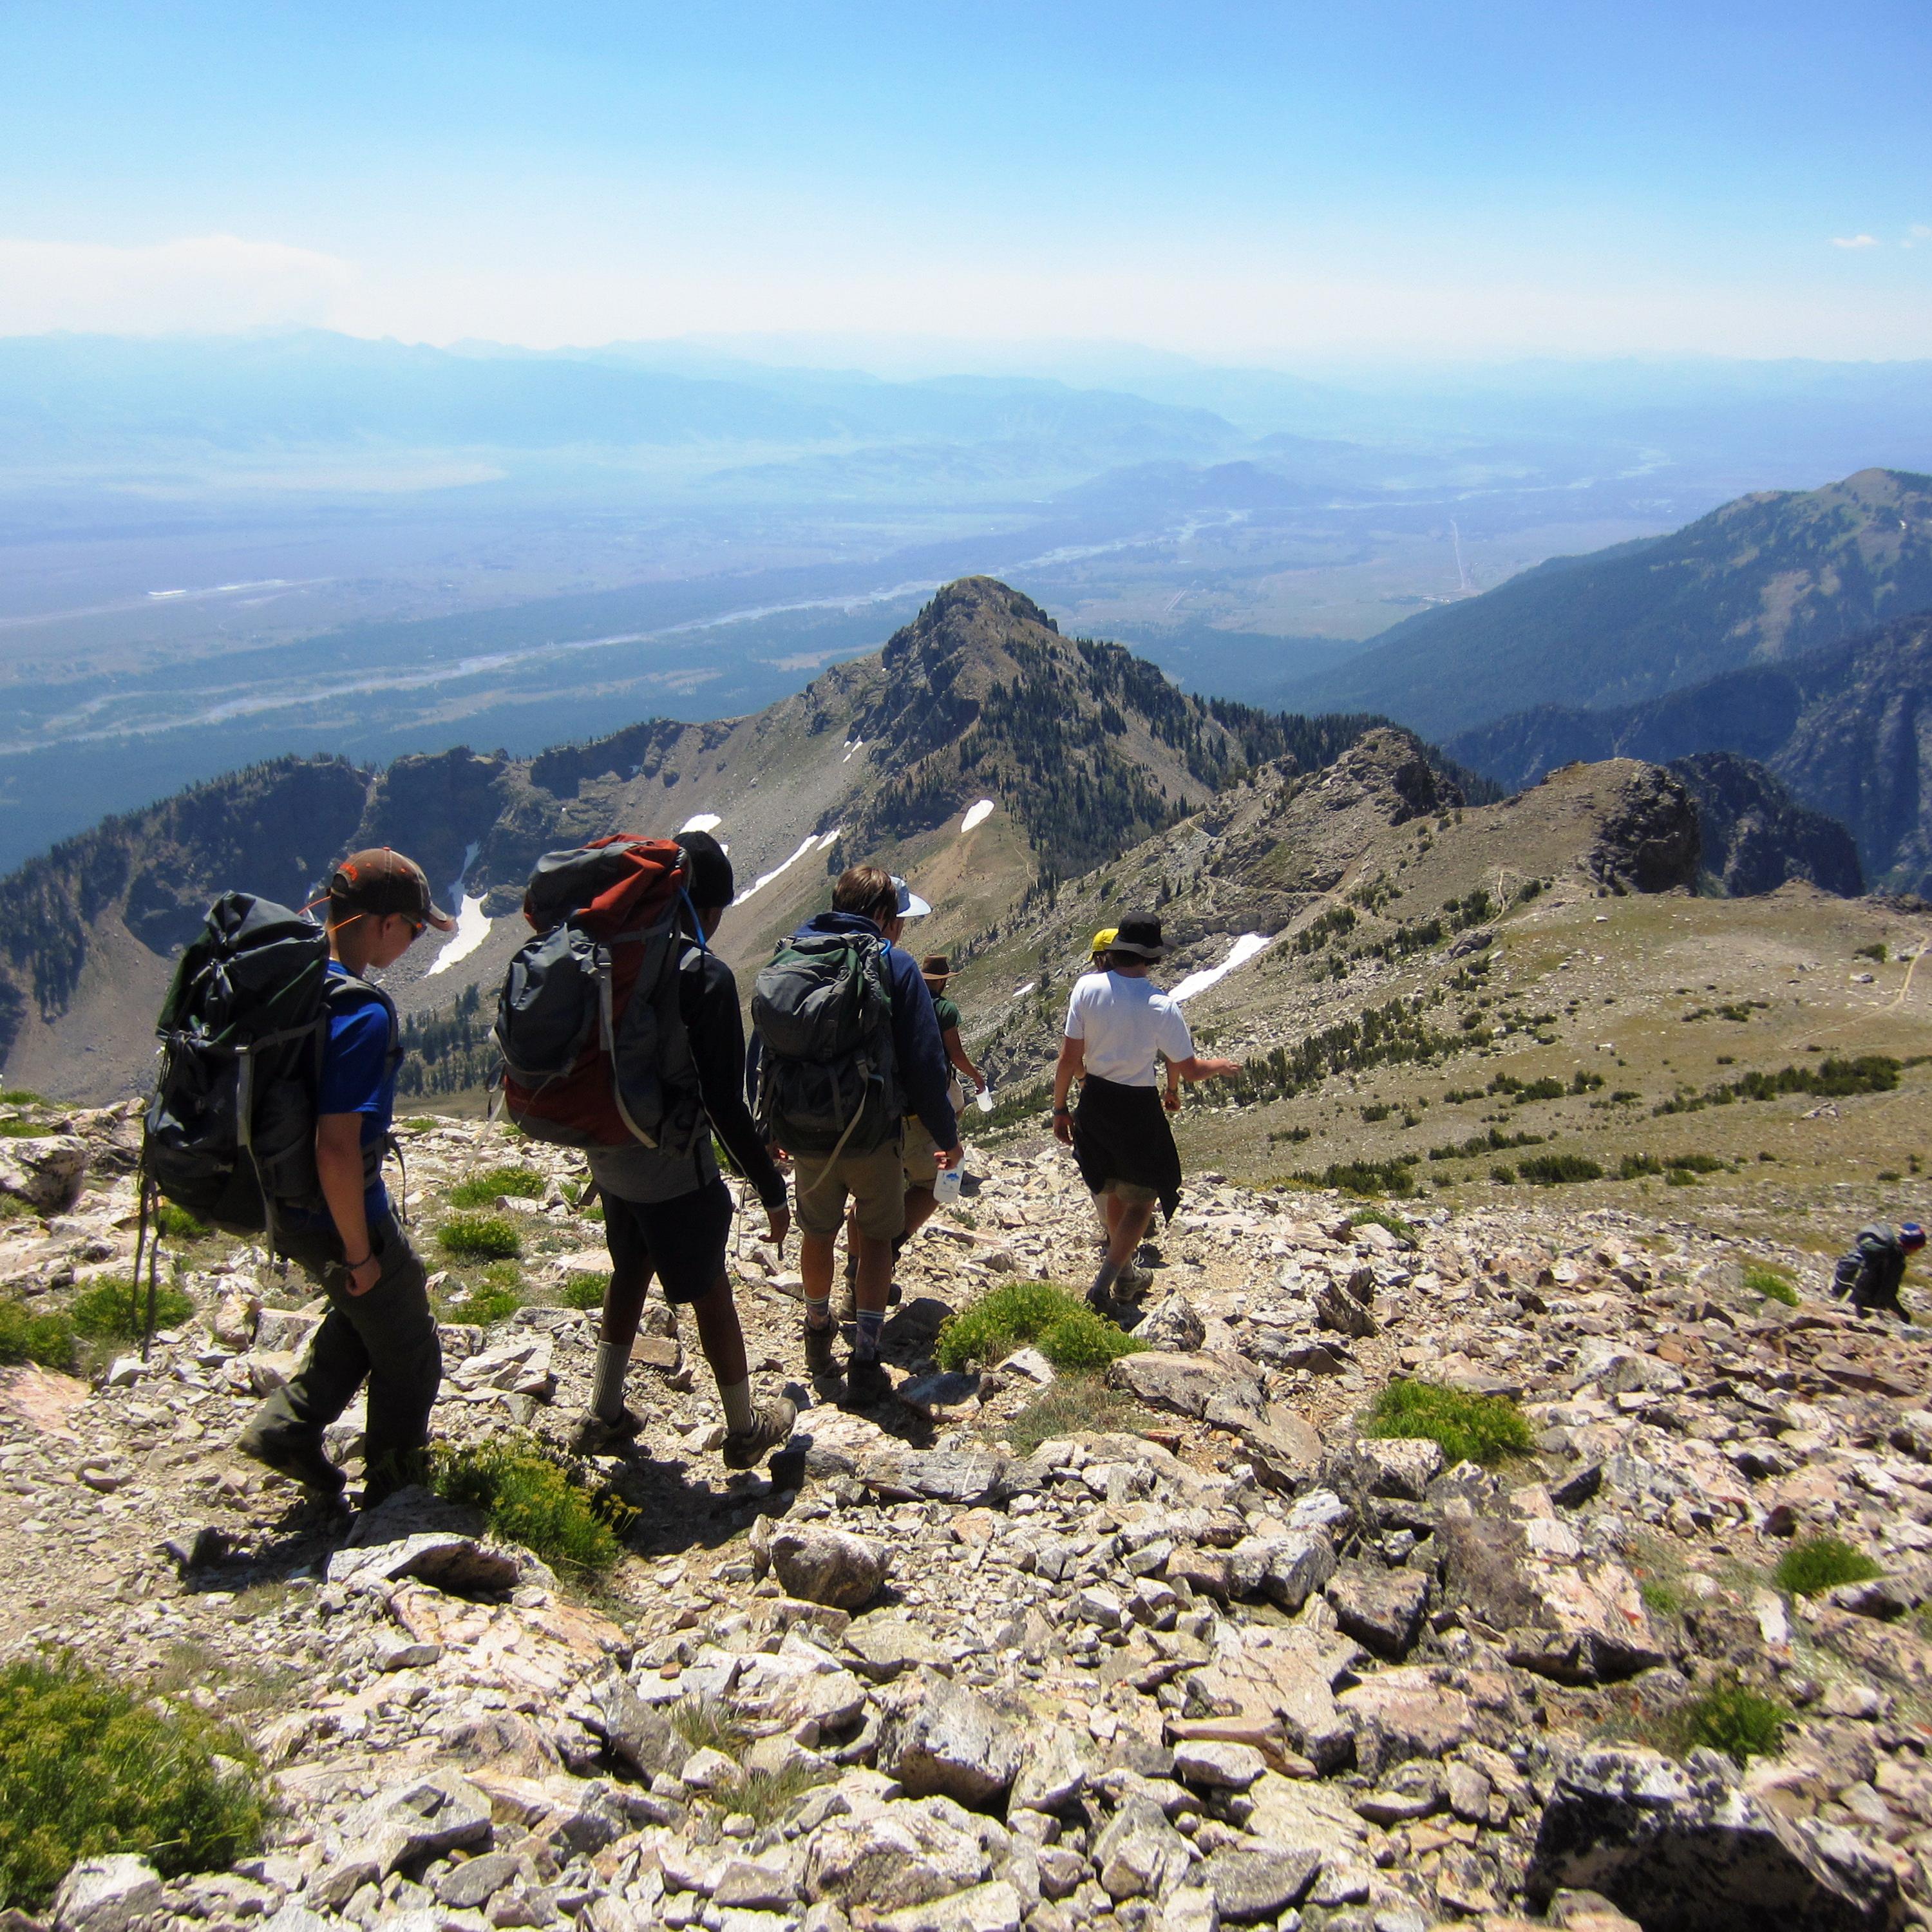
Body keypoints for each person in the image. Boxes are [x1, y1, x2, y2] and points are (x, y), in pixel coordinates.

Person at [237, 848, 453, 1507]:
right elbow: (337, 1147)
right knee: (409, 1346)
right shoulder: (361, 1012)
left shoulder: (300, 982)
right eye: (414, 927)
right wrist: (359, 1251)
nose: (416, 940)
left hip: (279, 1194)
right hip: (331, 1207)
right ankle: (392, 1492)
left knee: (369, 1314)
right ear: (383, 924)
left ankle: (288, 1428)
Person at [578, 830, 797, 1466]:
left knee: (630, 1269)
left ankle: (604, 1412)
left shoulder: (609, 960)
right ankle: (743, 1430)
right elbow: (724, 1104)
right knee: (710, 1290)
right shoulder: (703, 978)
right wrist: (771, 1187)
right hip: (674, 1164)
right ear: (706, 907)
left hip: (610, 1152)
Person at [768, 866, 961, 1406]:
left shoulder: (791, 953)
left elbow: (765, 1044)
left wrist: (769, 1128)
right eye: (896, 919)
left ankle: (816, 1331)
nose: (899, 930)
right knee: (875, 1238)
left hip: (805, 1131)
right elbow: (925, 1062)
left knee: (817, 1232)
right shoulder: (892, 963)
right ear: (879, 915)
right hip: (873, 1130)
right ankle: (867, 1356)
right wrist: (948, 1138)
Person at [1052, 913, 1240, 1314]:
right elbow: (1189, 1069)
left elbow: (1070, 1057)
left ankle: (1123, 1276)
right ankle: (1105, 1285)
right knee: (1142, 1198)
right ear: (1152, 956)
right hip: (1136, 1108)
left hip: (1095, 1102)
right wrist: (1219, 1065)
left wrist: (1060, 1109)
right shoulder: (1162, 1006)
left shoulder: (1086, 988)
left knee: (1114, 1187)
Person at [1833, 1219, 1926, 1323]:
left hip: (1849, 1291)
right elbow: (1887, 1296)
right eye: (1918, 1248)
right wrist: (1903, 1315)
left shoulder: (1879, 1250)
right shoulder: (1896, 1260)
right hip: (1864, 1303)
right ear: (1913, 1247)